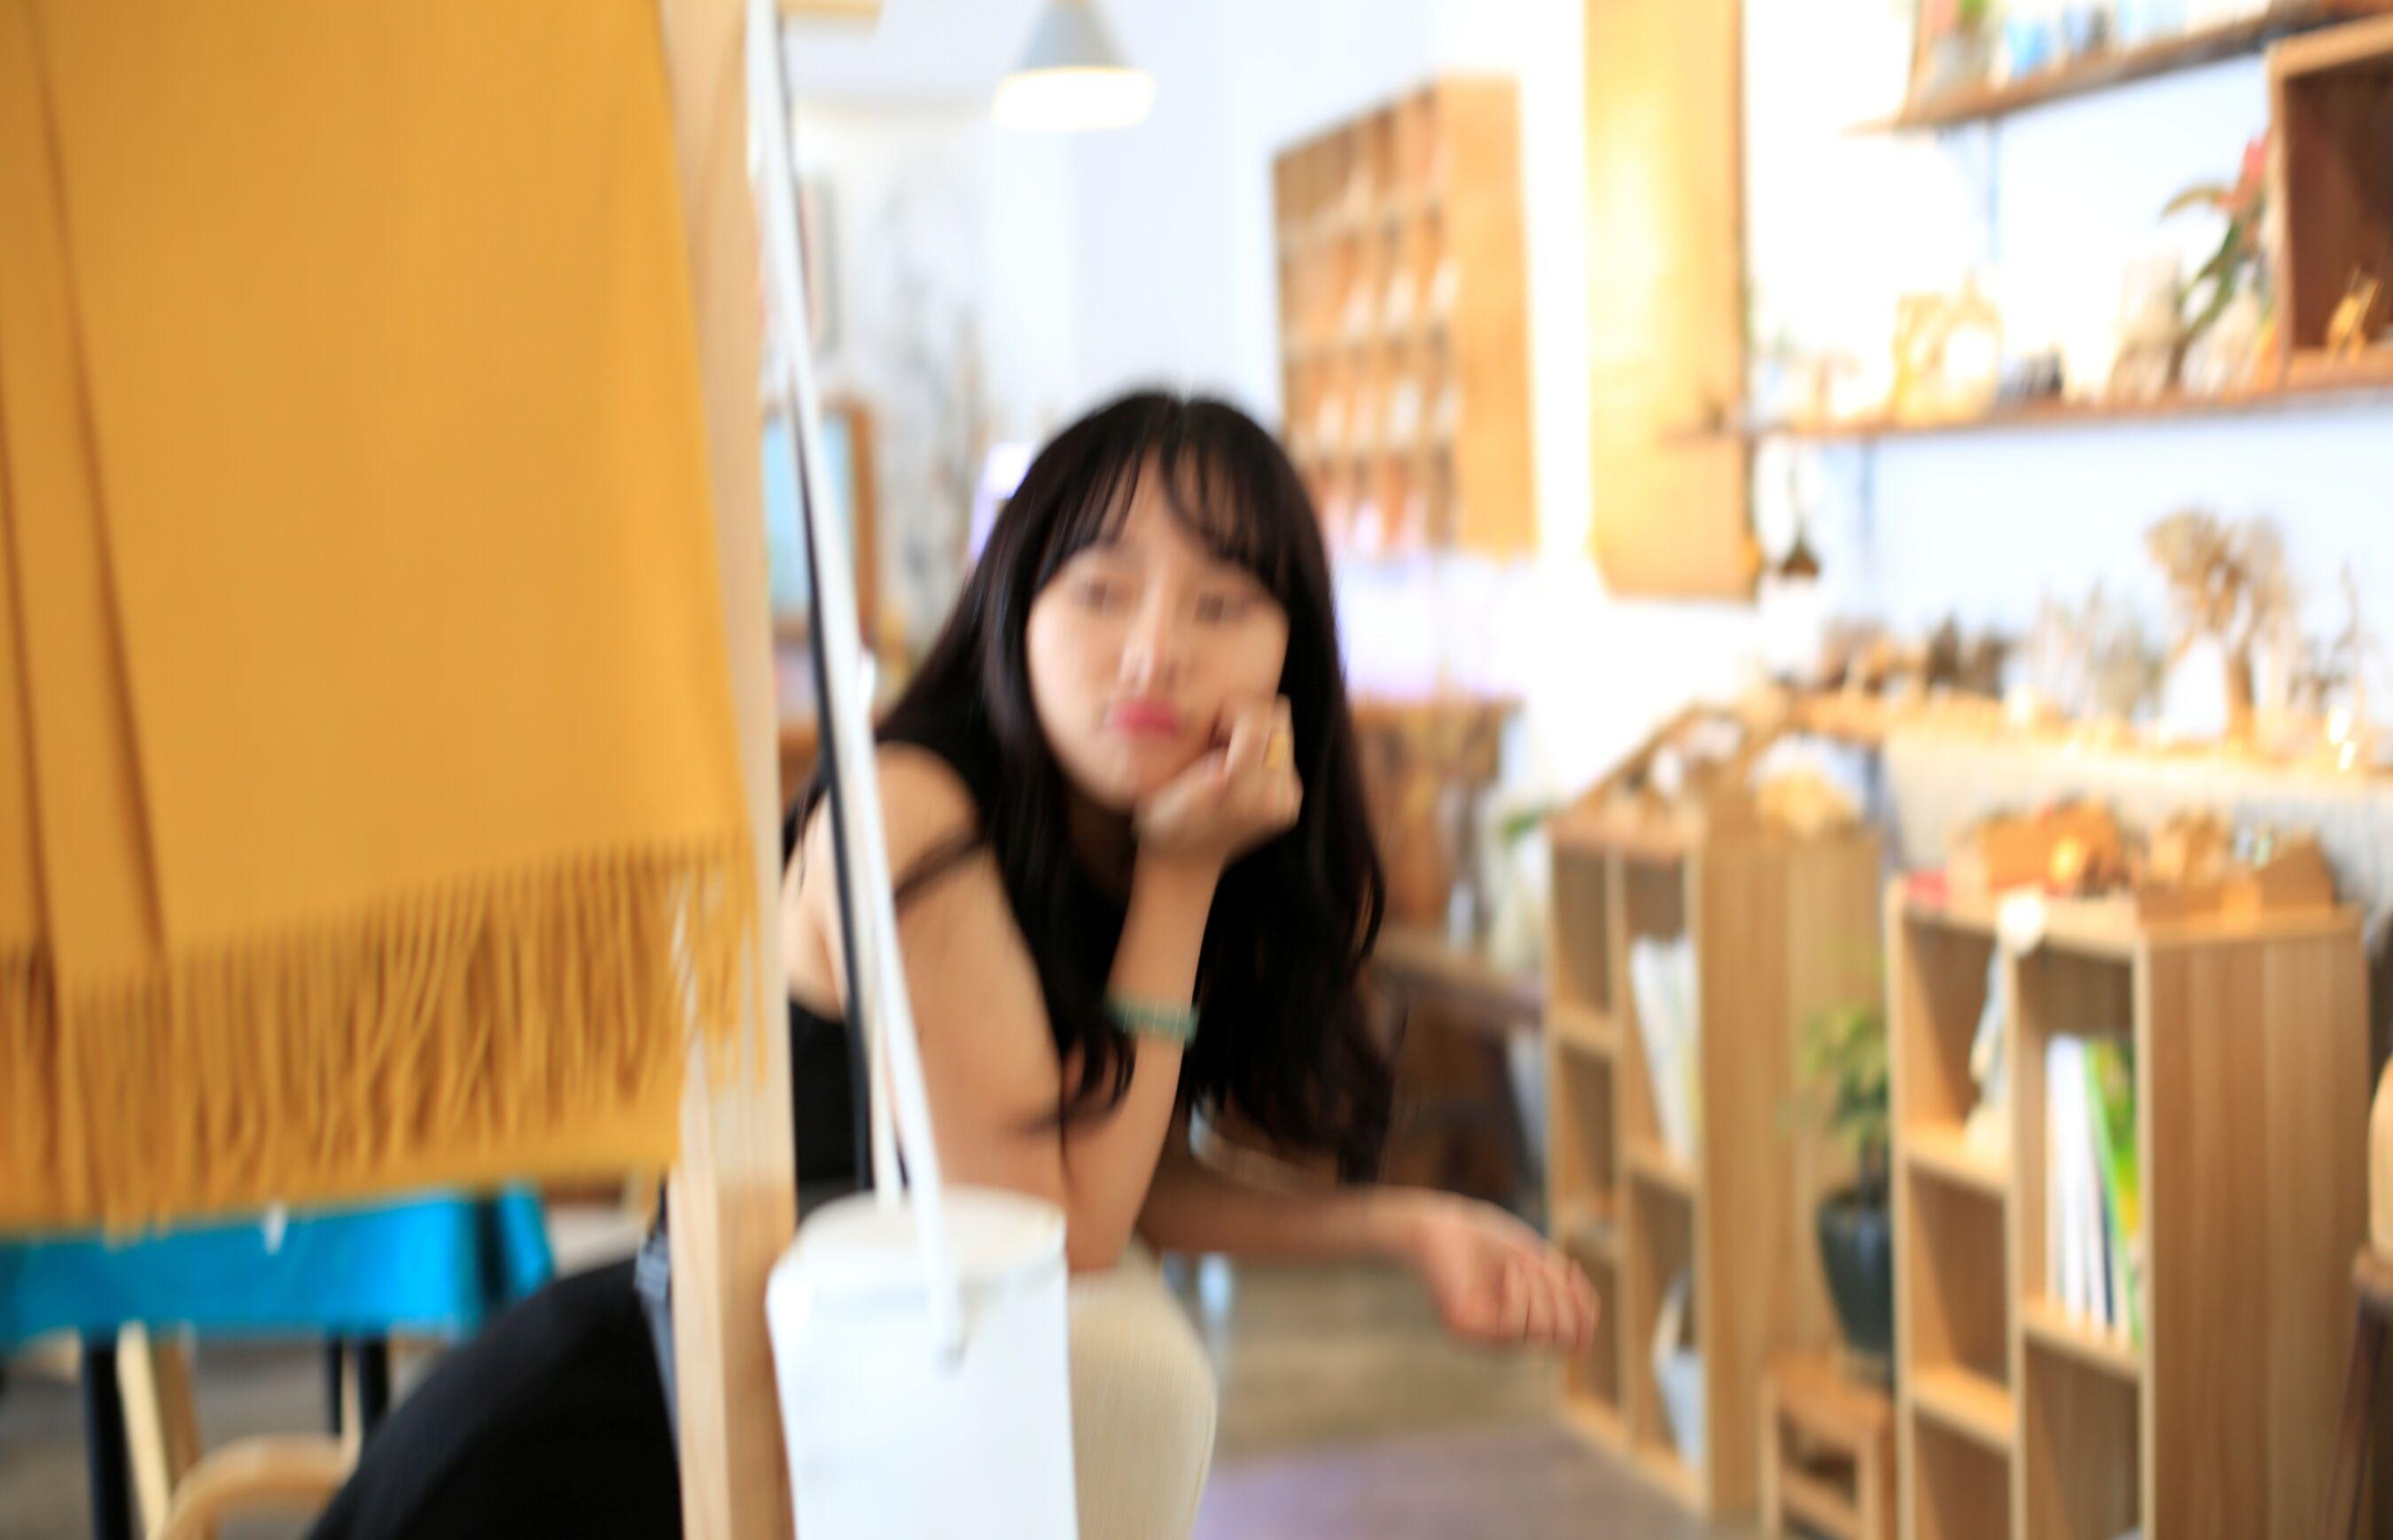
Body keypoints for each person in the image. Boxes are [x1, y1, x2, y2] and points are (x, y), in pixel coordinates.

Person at [309, 390, 1594, 1540]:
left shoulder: (1119, 838)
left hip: (806, 1432)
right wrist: (1181, 879)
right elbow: (1063, 1227)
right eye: (1101, 590)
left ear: (1290, 656)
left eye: (1220, 605)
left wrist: (1406, 1227)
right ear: (1014, 605)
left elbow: (1117, 1172)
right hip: (616, 1450)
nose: (1154, 649)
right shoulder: (909, 810)